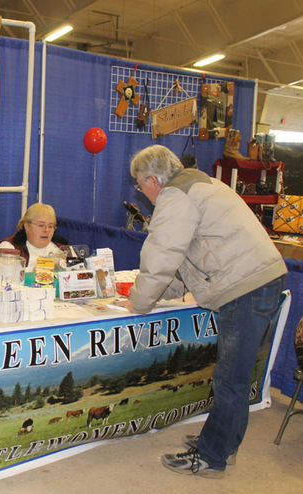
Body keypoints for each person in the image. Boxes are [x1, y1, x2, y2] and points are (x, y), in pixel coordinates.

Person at [118, 145, 286, 478]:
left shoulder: (175, 197)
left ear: (153, 179)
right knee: (234, 376)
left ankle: (211, 457)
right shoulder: (201, 184)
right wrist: (158, 295)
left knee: (230, 379)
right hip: (258, 280)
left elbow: (162, 254)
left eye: (140, 185)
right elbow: (186, 261)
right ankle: (222, 443)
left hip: (244, 287)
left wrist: (139, 302)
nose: (142, 192)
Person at [0, 202, 68, 269]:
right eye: (41, 225)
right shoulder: (9, 247)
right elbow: (0, 277)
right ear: (27, 226)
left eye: (50, 226)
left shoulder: (61, 249)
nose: (46, 230)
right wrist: (33, 271)